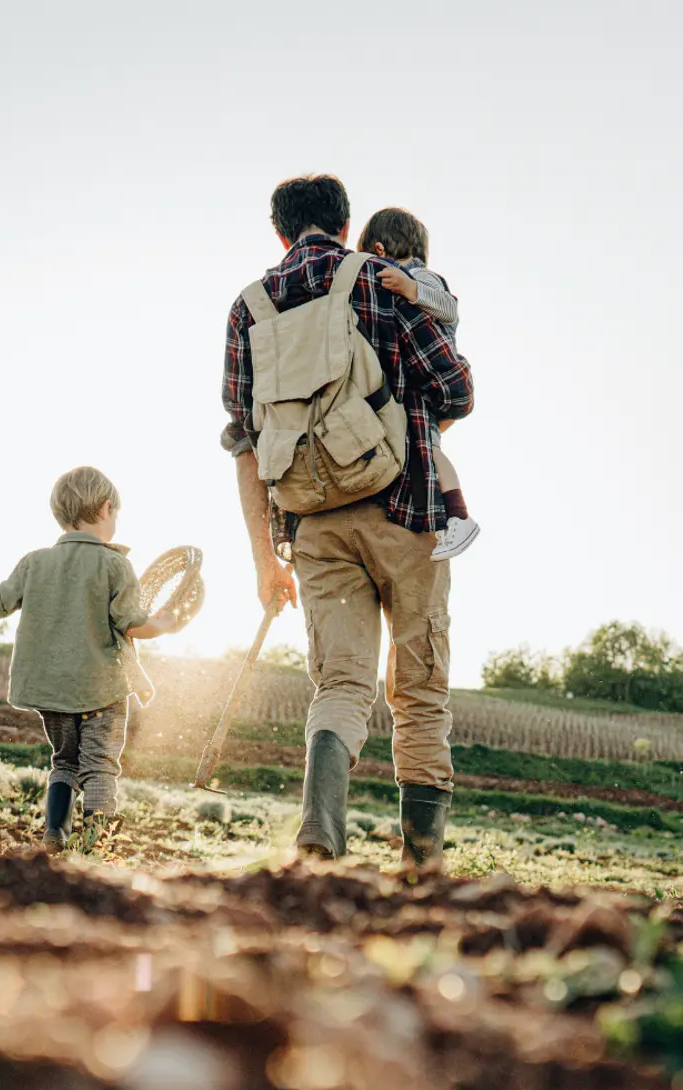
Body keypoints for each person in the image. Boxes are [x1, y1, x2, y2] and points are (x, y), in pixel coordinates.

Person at [222, 174, 474, 869]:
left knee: (340, 686)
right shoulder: (380, 279)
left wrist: (264, 561)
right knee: (419, 685)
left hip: (311, 524)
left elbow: (244, 442)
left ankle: (319, 837)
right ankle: (421, 863)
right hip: (408, 507)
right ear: (346, 224)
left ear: (280, 232)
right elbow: (456, 388)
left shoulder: (249, 308)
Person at [0, 465, 178, 851]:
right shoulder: (115, 564)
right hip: (102, 690)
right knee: (100, 766)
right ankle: (95, 844)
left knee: (64, 761)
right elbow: (131, 623)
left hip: (52, 691)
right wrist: (162, 624)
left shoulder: (34, 562)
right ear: (107, 508)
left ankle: (55, 835)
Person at [358, 206, 480, 562]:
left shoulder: (423, 277)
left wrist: (411, 288)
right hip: (420, 388)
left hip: (429, 387)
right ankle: (450, 518)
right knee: (426, 450)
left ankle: (460, 515)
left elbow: (449, 308)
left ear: (379, 250)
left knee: (430, 449)